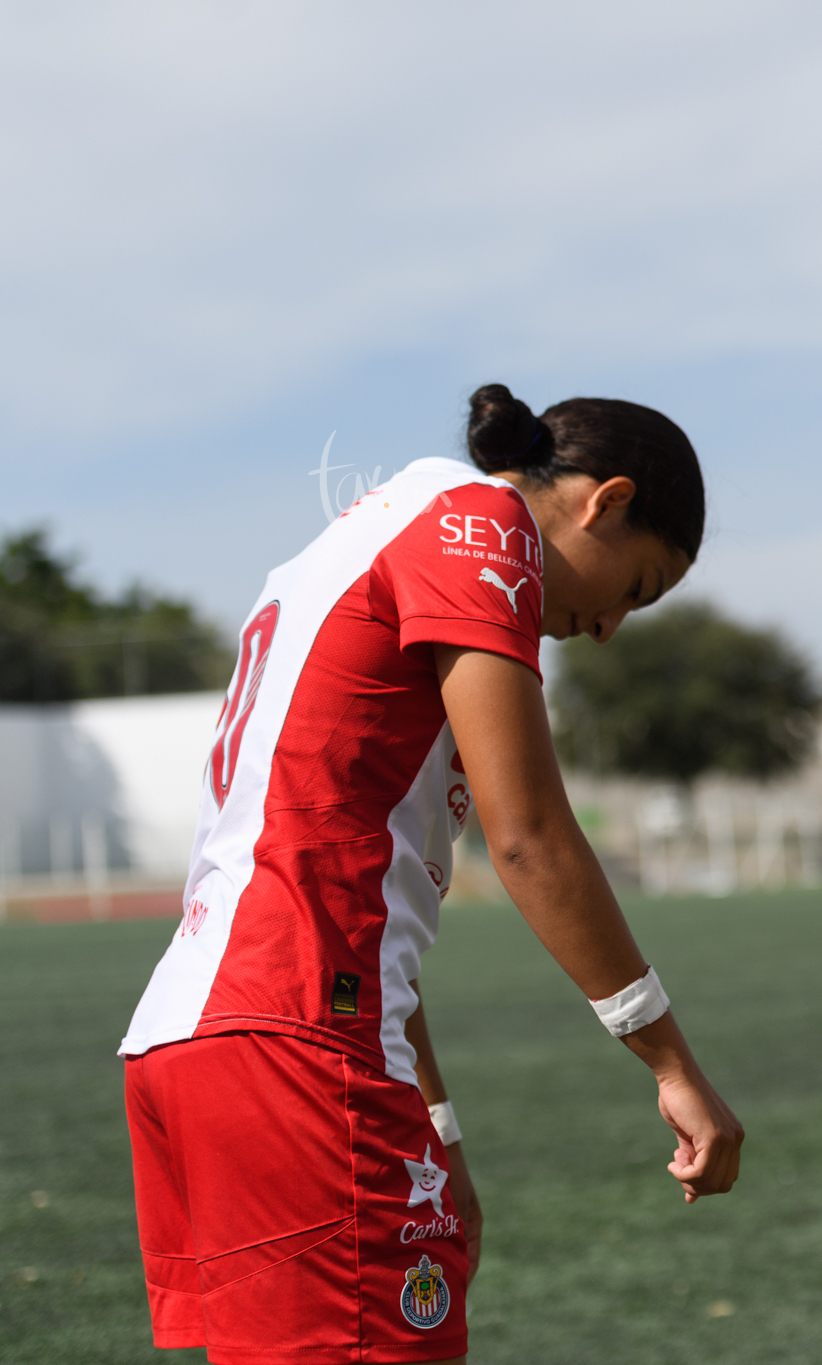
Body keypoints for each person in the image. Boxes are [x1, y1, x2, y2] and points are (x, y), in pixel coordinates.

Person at [118, 384, 744, 1364]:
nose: (608, 626)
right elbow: (530, 836)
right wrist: (670, 1063)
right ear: (604, 501)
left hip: (197, 1036)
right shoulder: (483, 526)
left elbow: (366, 898)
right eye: (634, 588)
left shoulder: (367, 529)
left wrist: (438, 1132)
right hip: (296, 1045)